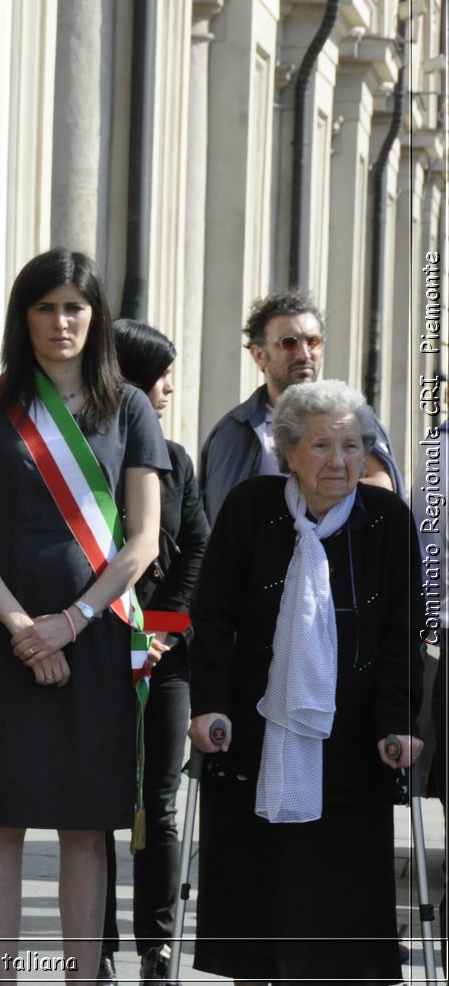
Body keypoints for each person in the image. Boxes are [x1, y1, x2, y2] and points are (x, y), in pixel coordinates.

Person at [0, 248, 164, 983]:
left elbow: (144, 540)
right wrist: (22, 629)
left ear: (94, 317)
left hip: (93, 639)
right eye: (45, 306)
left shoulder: (129, 408)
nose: (60, 322)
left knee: (85, 824)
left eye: (74, 306)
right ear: (23, 315)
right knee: (0, 822)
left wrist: (69, 622)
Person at [188, 379, 423, 985]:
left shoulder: (388, 520)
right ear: (288, 452)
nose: (340, 462)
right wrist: (209, 705)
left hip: (352, 743)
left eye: (352, 447)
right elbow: (212, 618)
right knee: (258, 889)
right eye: (321, 447)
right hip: (256, 734)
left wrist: (398, 722)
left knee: (340, 903)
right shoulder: (250, 508)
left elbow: (402, 632)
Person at [97, 320, 209, 986]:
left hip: (166, 659)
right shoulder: (84, 454)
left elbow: (196, 543)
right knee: (101, 806)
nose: (169, 388)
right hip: (96, 649)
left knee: (158, 800)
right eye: (160, 373)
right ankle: (100, 943)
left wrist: (165, 628)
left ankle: (157, 945)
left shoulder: (175, 457)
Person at [199, 289, 401, 522]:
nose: (304, 354)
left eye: (313, 341)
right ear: (259, 355)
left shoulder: (352, 417)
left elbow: (383, 487)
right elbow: (222, 517)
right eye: (289, 343)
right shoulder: (236, 430)